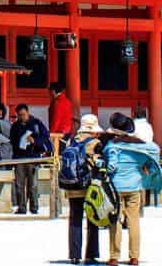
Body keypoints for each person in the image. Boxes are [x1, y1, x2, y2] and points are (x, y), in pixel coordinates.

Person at [103, 112, 161, 266]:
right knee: (134, 221)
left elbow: (112, 166)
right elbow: (155, 152)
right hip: (135, 187)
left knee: (115, 221)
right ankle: (134, 257)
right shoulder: (140, 145)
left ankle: (114, 256)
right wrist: (145, 167)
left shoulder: (113, 145)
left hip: (116, 188)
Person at [60, 113, 104, 265]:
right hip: (88, 186)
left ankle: (74, 255)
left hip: (72, 185)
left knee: (75, 219)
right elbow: (99, 163)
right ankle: (91, 254)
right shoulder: (95, 143)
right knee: (93, 219)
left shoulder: (71, 141)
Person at [9, 102, 50, 214]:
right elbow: (12, 140)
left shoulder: (36, 124)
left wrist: (35, 141)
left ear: (28, 113)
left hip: (33, 157)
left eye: (23, 114)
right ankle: (21, 207)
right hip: (19, 157)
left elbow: (45, 137)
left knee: (33, 184)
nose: (22, 117)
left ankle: (34, 207)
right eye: (19, 115)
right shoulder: (15, 126)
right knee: (19, 184)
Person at [48, 82, 76, 163]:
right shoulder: (67, 101)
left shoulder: (57, 102)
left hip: (58, 133)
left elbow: (56, 119)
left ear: (53, 91)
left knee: (57, 155)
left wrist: (52, 133)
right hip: (66, 132)